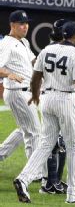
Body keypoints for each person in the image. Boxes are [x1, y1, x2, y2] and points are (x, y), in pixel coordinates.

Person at [13, 21, 75, 204]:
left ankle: (23, 179)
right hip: (66, 100)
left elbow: (36, 76)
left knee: (46, 144)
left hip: (47, 99)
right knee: (73, 147)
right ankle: (73, 195)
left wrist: (36, 95)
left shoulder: (46, 49)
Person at [0, 10, 43, 180]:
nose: (25, 26)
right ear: (12, 25)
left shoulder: (23, 41)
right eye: (21, 23)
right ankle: (35, 172)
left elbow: (34, 61)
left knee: (24, 129)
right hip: (17, 92)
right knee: (35, 132)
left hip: (25, 91)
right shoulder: (7, 44)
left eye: (26, 23)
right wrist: (7, 74)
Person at [38, 18, 70, 194]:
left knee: (55, 142)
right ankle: (49, 182)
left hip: (46, 97)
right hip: (57, 99)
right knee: (56, 142)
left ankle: (53, 181)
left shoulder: (47, 50)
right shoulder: (64, 51)